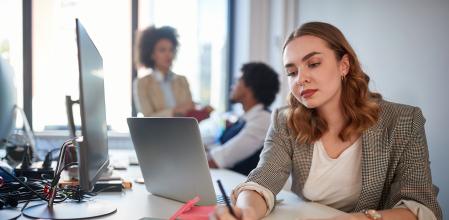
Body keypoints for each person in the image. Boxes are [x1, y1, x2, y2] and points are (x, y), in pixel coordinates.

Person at [214, 22, 442, 220]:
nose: (301, 79)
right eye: (292, 72)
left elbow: (420, 208)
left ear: (344, 65)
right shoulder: (286, 120)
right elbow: (262, 180)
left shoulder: (403, 121)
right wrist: (245, 212)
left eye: (313, 64)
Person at [207, 62, 280, 175]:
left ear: (249, 87)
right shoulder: (245, 118)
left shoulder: (263, 120)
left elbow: (220, 159)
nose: (232, 86)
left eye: (237, 80)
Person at [133, 25, 211, 118]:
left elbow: (189, 114)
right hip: (155, 132)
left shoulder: (182, 81)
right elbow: (148, 117)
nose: (168, 54)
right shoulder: (142, 83)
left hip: (183, 131)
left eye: (171, 50)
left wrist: (202, 111)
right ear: (152, 54)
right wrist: (175, 111)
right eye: (162, 50)